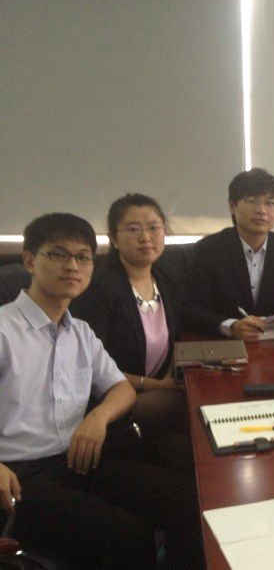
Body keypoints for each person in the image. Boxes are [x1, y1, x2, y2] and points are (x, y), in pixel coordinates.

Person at [0, 213, 202, 570]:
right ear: (30, 261)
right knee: (130, 536)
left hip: (78, 461)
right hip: (18, 476)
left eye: (83, 257)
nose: (73, 266)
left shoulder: (80, 332)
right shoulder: (4, 330)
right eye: (58, 254)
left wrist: (97, 418)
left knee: (190, 499)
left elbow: (121, 388)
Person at [70, 193, 190, 470]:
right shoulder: (99, 288)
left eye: (153, 227)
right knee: (194, 407)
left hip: (159, 395)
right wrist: (157, 385)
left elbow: (179, 335)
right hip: (111, 399)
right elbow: (87, 366)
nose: (145, 237)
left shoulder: (167, 276)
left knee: (184, 456)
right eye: (133, 229)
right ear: (113, 238)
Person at [183, 168, 274, 340]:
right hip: (224, 345)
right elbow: (190, 309)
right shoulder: (208, 249)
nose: (261, 210)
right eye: (252, 201)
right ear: (232, 206)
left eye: (270, 203)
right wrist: (231, 326)